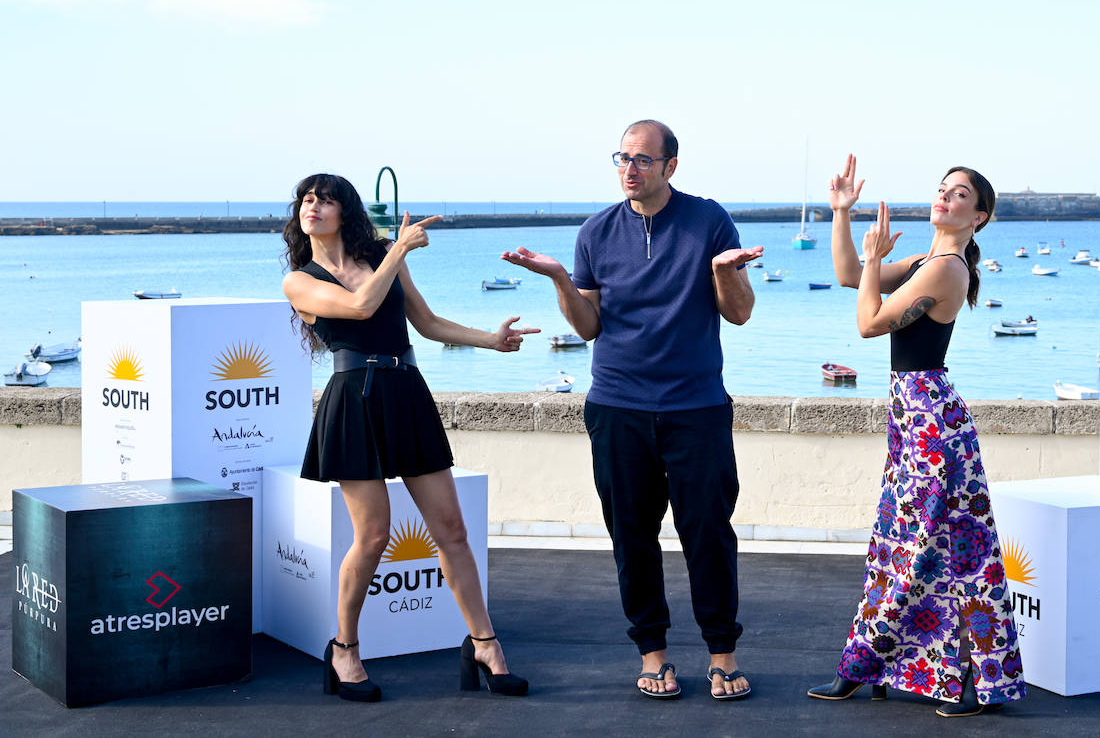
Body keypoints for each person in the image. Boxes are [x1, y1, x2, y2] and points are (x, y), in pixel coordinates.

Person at [502, 120, 763, 701]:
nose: (630, 168)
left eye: (643, 159)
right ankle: (654, 654)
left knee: (707, 534)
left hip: (696, 407)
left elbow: (739, 313)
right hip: (617, 407)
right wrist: (560, 281)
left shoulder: (709, 220)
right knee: (632, 536)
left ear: (671, 166)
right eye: (622, 158)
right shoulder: (596, 232)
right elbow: (589, 326)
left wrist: (724, 272)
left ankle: (723, 655)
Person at [281, 173, 538, 702]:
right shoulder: (299, 280)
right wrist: (397, 249)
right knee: (373, 536)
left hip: (407, 392)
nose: (315, 206)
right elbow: (359, 309)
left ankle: (485, 645)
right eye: (308, 199)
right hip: (353, 401)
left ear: (344, 211)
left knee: (452, 530)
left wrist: (490, 341)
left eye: (326, 199)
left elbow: (425, 322)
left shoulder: (380, 258)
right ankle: (344, 650)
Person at [807, 156, 1026, 717]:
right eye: (942, 190)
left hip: (933, 423)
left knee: (947, 552)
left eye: (959, 195)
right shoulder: (929, 259)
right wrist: (841, 213)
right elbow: (851, 277)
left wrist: (878, 257)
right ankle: (869, 667)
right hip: (913, 417)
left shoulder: (946, 268)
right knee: (898, 545)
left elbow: (868, 322)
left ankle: (976, 683)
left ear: (978, 217)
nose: (945, 199)